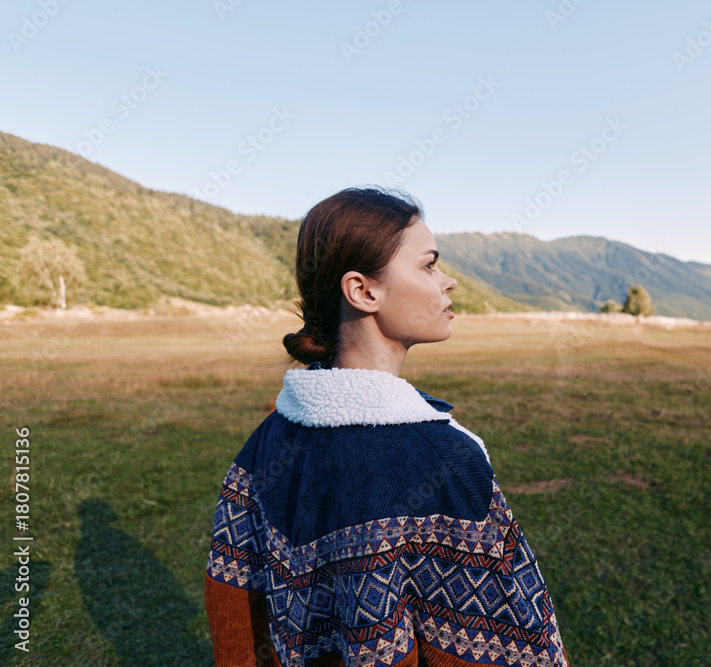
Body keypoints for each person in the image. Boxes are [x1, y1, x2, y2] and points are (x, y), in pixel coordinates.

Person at [203, 186, 570, 666]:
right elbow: (510, 645)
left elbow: (233, 603)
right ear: (363, 290)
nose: (449, 280)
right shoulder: (444, 461)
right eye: (429, 265)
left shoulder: (267, 440)